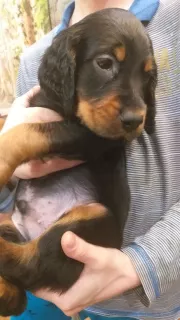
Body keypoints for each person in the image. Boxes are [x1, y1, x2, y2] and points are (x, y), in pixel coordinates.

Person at [1, 0, 180, 319]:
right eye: (105, 63)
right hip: (48, 288)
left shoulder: (174, 22)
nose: (136, 108)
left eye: (144, 78)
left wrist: (144, 263)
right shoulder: (35, 57)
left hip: (146, 300)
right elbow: (18, 185)